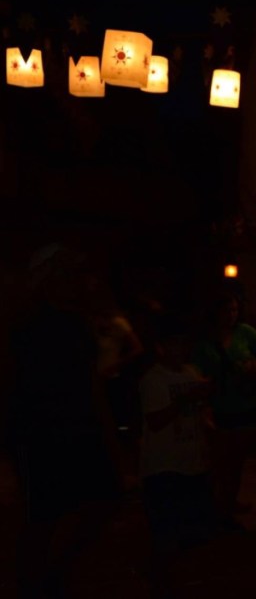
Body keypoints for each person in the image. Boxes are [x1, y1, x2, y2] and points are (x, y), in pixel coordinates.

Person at [8, 242, 127, 598]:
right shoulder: (25, 325)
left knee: (102, 502)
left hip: (79, 429)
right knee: (43, 517)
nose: (75, 281)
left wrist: (108, 435)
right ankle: (33, 585)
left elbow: (92, 384)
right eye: (65, 273)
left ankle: (54, 573)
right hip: (40, 433)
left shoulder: (76, 325)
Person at [138, 310, 217, 598]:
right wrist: (187, 399)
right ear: (161, 347)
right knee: (166, 532)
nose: (180, 350)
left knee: (191, 532)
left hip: (192, 463)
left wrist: (207, 422)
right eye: (174, 344)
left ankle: (174, 578)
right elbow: (155, 422)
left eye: (184, 344)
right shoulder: (153, 380)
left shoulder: (191, 373)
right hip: (164, 467)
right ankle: (159, 581)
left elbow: (200, 414)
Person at [190, 287, 256, 529]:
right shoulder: (205, 342)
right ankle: (219, 507)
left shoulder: (245, 333)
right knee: (221, 461)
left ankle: (228, 504)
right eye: (227, 310)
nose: (232, 315)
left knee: (237, 460)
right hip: (220, 407)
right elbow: (196, 373)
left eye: (235, 310)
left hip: (247, 404)